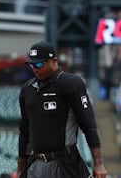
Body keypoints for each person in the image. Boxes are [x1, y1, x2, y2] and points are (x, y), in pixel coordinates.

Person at [17, 41, 108, 178]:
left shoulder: (70, 84)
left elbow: (89, 125)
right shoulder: (27, 89)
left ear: (54, 61)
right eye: (32, 64)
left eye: (39, 64)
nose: (35, 68)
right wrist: (21, 166)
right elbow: (24, 130)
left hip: (64, 163)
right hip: (36, 163)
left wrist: (98, 163)